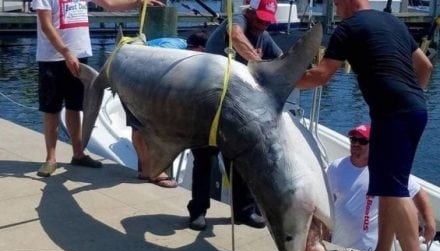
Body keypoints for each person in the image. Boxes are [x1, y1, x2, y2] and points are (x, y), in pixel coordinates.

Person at [295, 0, 433, 251]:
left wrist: (282, 82)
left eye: (336, 3)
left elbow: (322, 75)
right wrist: (413, 96)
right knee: (385, 185)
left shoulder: (348, 28)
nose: (335, 9)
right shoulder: (394, 22)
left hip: (394, 115)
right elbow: (425, 66)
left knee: (395, 189)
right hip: (412, 111)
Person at [33, 0, 163, 177]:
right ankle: (50, 158)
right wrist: (65, 52)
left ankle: (78, 154)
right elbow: (46, 25)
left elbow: (110, 4)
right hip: (52, 59)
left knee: (75, 107)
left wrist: (139, 2)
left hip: (79, 57)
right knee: (52, 109)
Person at [187, 0, 283, 231]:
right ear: (249, 13)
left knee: (241, 159)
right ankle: (198, 210)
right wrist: (258, 62)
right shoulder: (236, 21)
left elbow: (281, 61)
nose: (262, 24)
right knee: (205, 160)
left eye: (268, 21)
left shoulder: (263, 36)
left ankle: (243, 210)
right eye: (259, 19)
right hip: (208, 103)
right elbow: (236, 35)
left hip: (236, 109)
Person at [326, 124, 436, 251]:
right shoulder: (335, 168)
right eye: (353, 139)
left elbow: (417, 192)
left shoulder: (386, 169)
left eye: (362, 141)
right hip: (339, 248)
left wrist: (430, 224)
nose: (356, 144)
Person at [127, 30, 208, 188]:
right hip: (132, 76)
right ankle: (150, 172)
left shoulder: (187, 52)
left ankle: (148, 171)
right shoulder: (172, 52)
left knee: (146, 127)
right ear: (199, 48)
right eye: (205, 52)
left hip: (147, 78)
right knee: (139, 128)